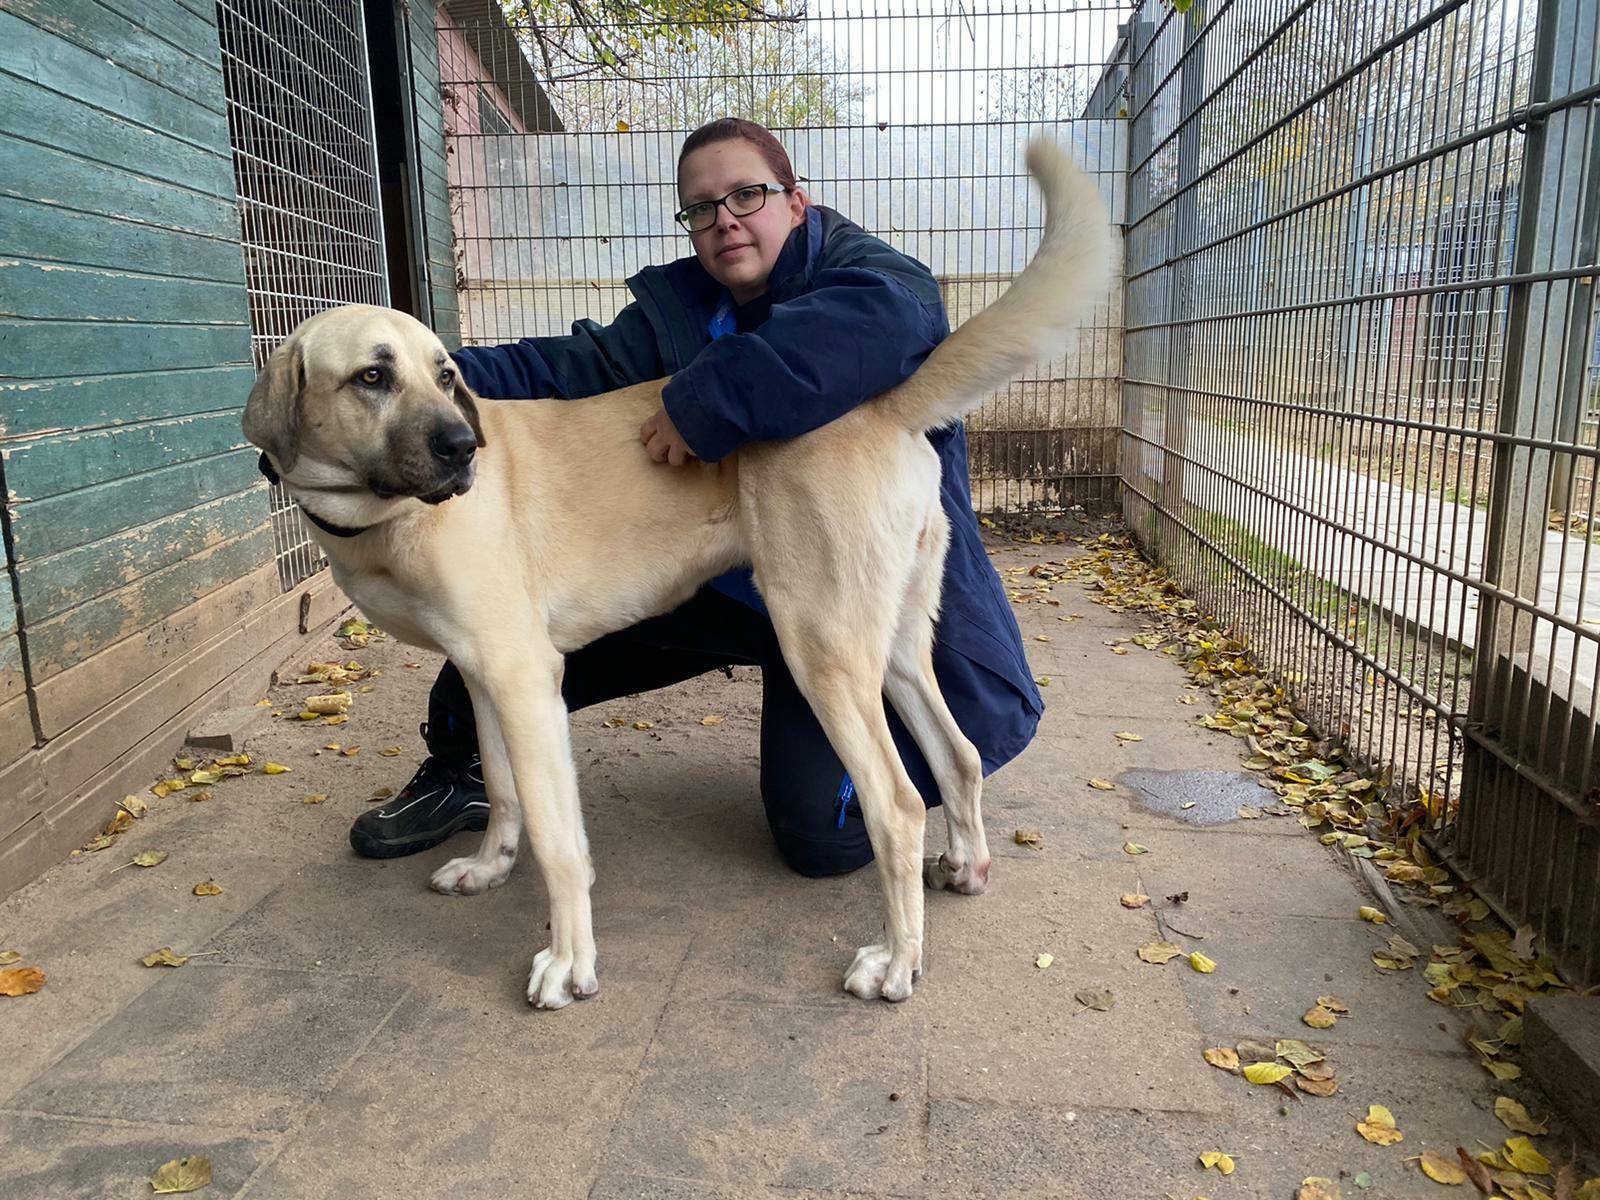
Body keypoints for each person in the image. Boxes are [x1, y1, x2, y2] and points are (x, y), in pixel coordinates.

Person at [348, 117, 1042, 877]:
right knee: (499, 633)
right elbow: (562, 368)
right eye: (701, 208)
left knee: (822, 834)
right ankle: (470, 769)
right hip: (717, 577)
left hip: (841, 582)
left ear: (797, 202)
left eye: (747, 194)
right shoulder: (681, 307)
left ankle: (926, 800)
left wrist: (704, 401)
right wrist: (428, 374)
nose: (725, 220)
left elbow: (878, 328)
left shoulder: (869, 274)